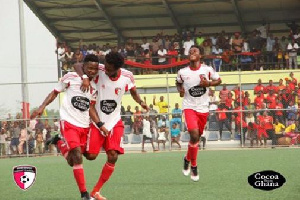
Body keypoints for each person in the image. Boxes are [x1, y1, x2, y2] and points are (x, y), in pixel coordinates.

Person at [30, 54, 108, 200]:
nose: (92, 71)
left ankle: (58, 142)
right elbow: (55, 93)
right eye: (89, 68)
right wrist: (42, 107)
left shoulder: (94, 86)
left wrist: (99, 124)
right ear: (84, 67)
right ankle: (84, 195)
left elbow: (90, 107)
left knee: (77, 159)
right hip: (68, 122)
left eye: (94, 69)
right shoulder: (71, 77)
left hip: (85, 125)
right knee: (78, 156)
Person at [75, 52, 148, 200]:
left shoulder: (127, 76)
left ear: (117, 68)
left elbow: (133, 92)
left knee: (113, 156)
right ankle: (70, 146)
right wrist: (84, 78)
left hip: (114, 121)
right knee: (91, 156)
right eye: (105, 67)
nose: (105, 71)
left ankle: (95, 191)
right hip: (96, 121)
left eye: (109, 69)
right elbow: (77, 65)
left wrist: (140, 102)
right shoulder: (100, 68)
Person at [176, 45, 221, 181]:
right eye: (190, 52)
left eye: (195, 51)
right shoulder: (182, 72)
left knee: (195, 138)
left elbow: (219, 80)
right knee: (194, 134)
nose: (192, 52)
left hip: (203, 108)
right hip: (189, 107)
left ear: (200, 55)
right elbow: (178, 83)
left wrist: (208, 84)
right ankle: (194, 166)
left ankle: (187, 159)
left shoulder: (207, 69)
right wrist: (180, 90)